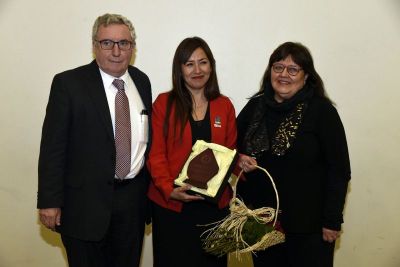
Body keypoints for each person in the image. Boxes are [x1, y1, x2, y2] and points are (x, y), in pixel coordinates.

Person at [37, 13, 152, 267]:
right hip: (84, 205)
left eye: (123, 43)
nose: (116, 51)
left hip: (132, 204)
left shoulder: (142, 82)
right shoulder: (68, 84)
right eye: (107, 43)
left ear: (132, 47)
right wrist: (49, 201)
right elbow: (53, 147)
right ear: (94, 45)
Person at [237, 42, 351, 267]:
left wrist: (332, 221)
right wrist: (239, 159)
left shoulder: (322, 112)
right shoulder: (254, 108)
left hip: (309, 229)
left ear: (306, 75)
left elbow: (339, 170)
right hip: (260, 226)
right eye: (278, 67)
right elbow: (230, 149)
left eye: (293, 69)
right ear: (270, 71)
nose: (284, 75)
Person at [147, 37, 237, 267]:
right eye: (189, 64)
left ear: (211, 66)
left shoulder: (224, 105)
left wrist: (241, 161)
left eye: (203, 62)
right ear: (180, 69)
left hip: (214, 211)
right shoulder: (164, 103)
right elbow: (156, 155)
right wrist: (169, 190)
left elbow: (230, 152)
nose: (197, 70)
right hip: (173, 209)